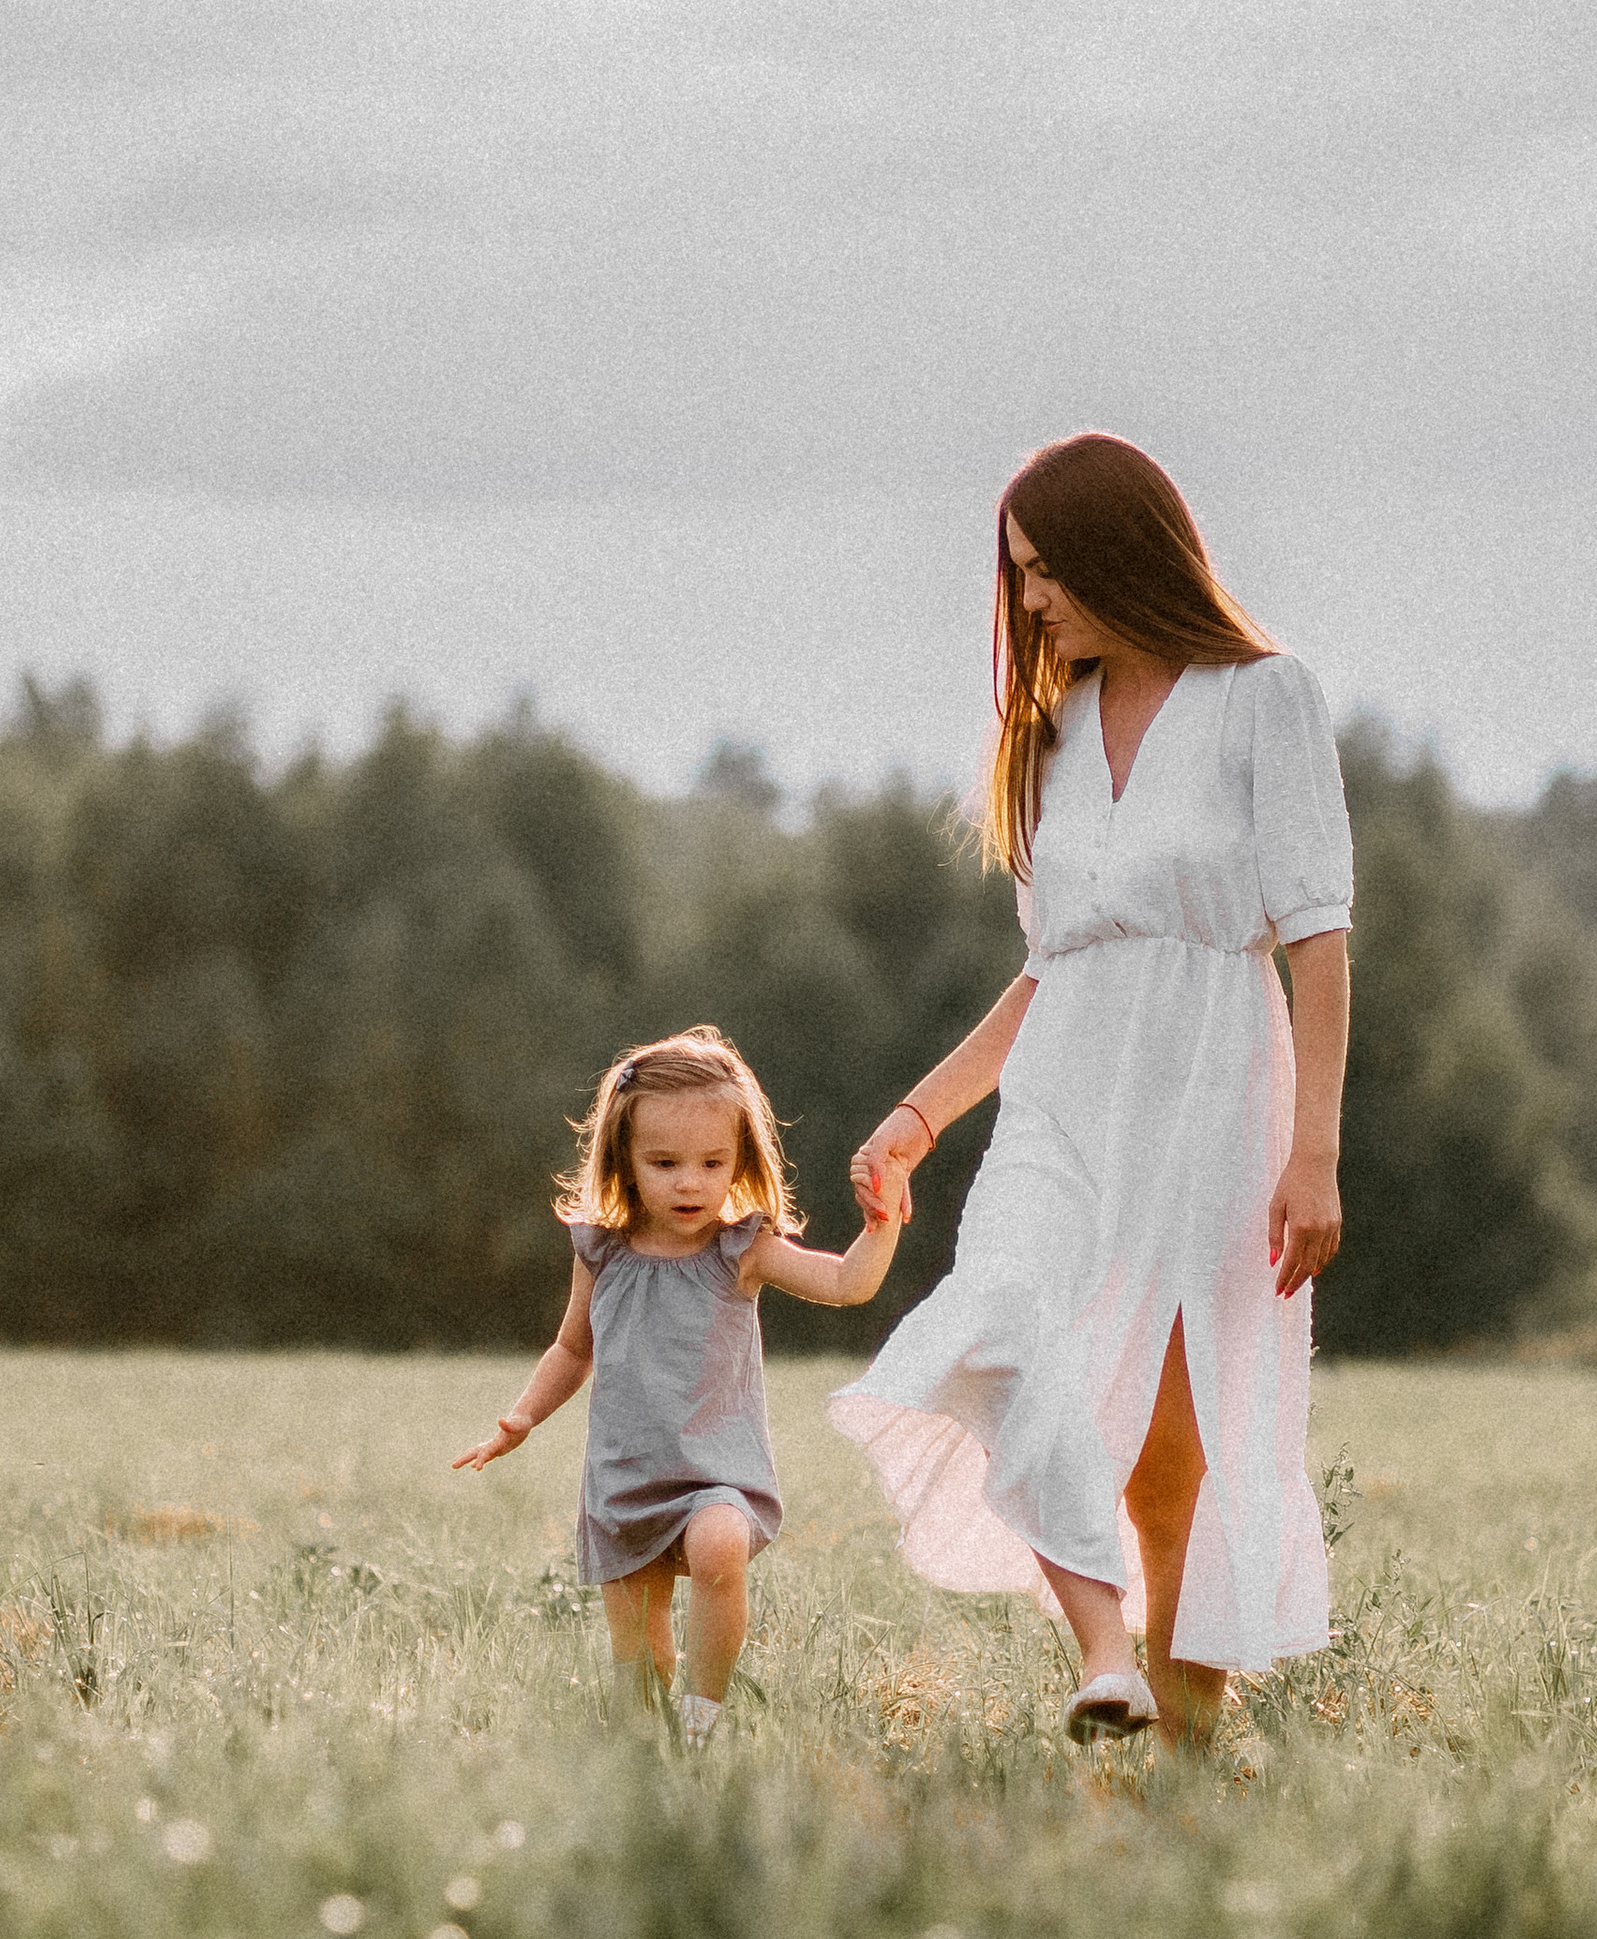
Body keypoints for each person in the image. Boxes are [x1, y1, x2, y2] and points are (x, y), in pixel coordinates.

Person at [831, 433, 1352, 1747]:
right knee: (999, 1321)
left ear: (1127, 556)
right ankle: (1105, 1652)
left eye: (1049, 570)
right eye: (1017, 574)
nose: (1030, 601)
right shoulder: (1045, 733)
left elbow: (1318, 941)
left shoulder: (1265, 697)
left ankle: (1183, 1755)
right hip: (1062, 1100)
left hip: (1214, 1096)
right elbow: (1050, 969)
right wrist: (921, 1114)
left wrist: (1313, 1156)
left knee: (1176, 1457)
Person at [457, 1026, 910, 1742]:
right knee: (641, 1664)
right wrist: (522, 1418)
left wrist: (882, 1223)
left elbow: (847, 1283)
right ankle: (650, 1753)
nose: (690, 1181)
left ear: (740, 1160)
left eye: (711, 1162)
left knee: (719, 1542)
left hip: (715, 1472)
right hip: (626, 1479)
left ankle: (704, 1718)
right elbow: (572, 1349)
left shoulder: (742, 1250)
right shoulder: (601, 1250)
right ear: (624, 1160)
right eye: (665, 1162)